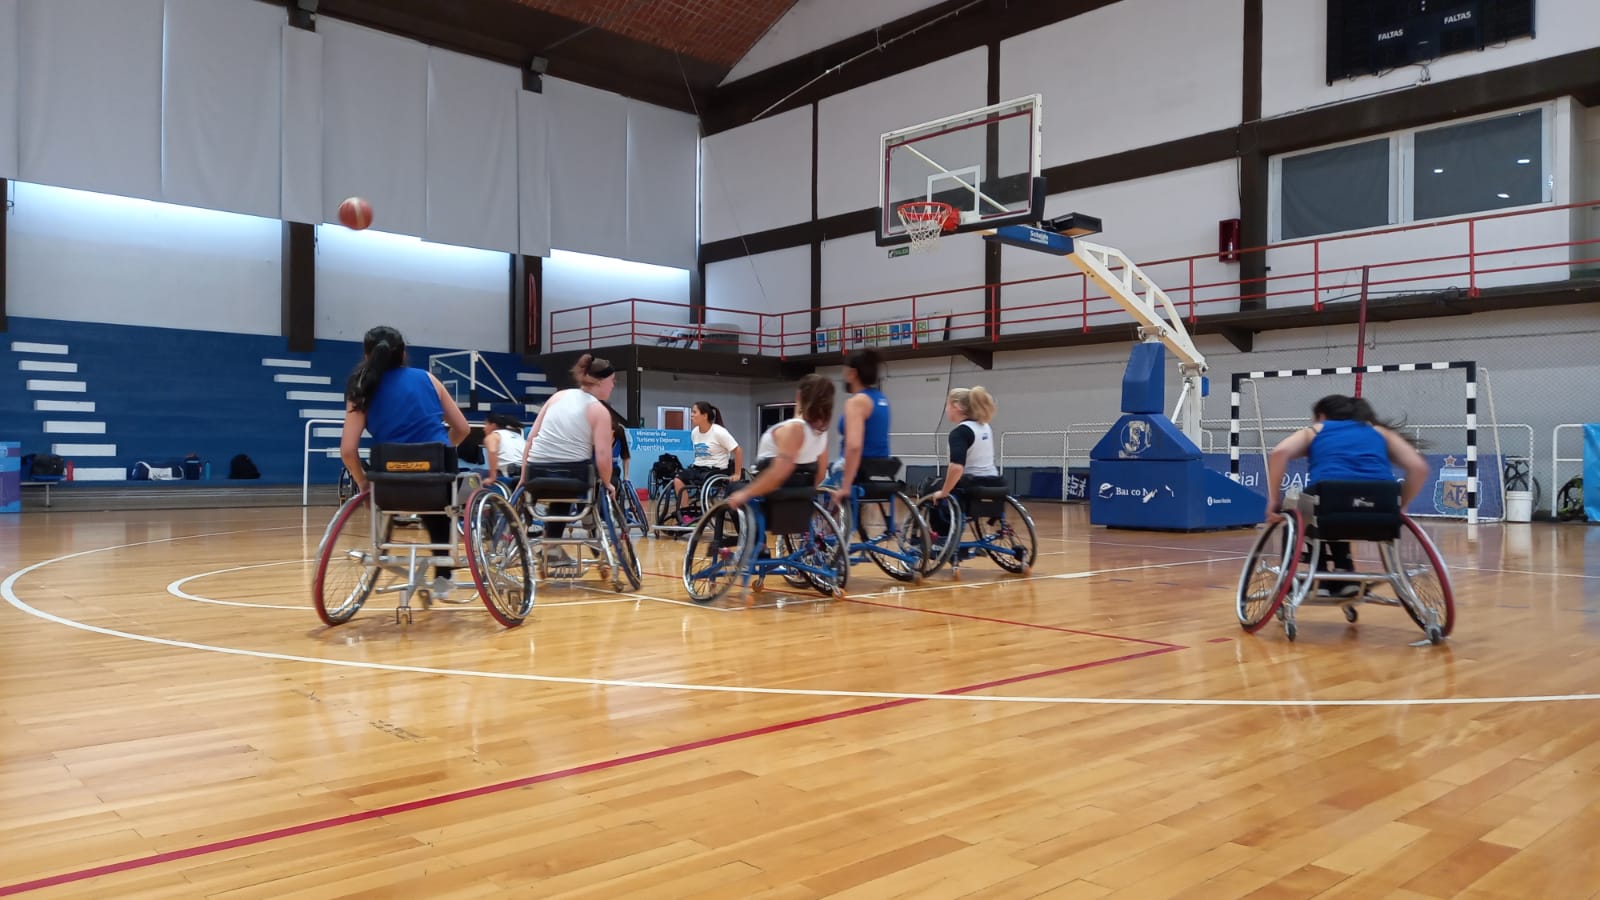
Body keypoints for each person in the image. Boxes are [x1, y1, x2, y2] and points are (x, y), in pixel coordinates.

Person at [339, 325, 471, 601]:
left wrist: (363, 484)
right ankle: (444, 575)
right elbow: (462, 429)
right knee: (439, 505)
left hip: (388, 484)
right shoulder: (428, 379)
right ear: (404, 353)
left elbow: (348, 450)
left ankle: (387, 550)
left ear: (366, 354)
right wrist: (444, 450)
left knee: (403, 487)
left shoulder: (360, 389)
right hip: (435, 477)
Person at [1266, 394, 1430, 596]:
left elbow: (1279, 452)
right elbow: (1419, 468)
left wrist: (1274, 500)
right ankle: (1345, 573)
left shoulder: (1316, 430)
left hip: (1330, 504)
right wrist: (1401, 505)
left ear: (1321, 415)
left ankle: (1311, 575)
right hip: (1382, 508)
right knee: (1337, 508)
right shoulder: (1379, 432)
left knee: (1300, 513)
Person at [518, 353, 619, 568]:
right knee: (587, 483)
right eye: (612, 381)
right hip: (572, 477)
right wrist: (608, 483)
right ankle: (591, 528)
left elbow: (531, 438)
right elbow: (603, 456)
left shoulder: (558, 396)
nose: (613, 385)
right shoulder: (599, 411)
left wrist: (523, 476)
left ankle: (549, 547)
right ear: (600, 382)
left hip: (536, 472)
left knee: (557, 493)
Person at [727, 374, 834, 509]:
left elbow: (780, 472)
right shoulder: (821, 435)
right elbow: (820, 474)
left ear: (799, 396)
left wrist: (746, 493)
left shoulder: (793, 430)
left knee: (733, 489)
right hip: (799, 494)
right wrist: (802, 494)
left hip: (771, 490)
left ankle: (743, 529)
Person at [827, 348, 892, 511]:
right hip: (880, 463)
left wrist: (846, 486)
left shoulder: (857, 402)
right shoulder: (881, 398)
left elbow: (854, 446)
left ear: (852, 373)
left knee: (818, 484)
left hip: (856, 465)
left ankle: (821, 530)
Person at [923, 386, 1000, 502]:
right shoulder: (985, 426)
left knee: (928, 486)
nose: (946, 409)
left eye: (947, 405)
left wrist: (944, 492)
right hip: (994, 482)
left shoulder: (960, 432)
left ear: (956, 406)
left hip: (970, 484)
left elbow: (957, 468)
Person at [672, 400, 743, 519]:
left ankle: (705, 514)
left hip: (716, 470)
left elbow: (738, 450)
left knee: (703, 479)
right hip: (698, 467)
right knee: (678, 479)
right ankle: (686, 513)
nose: (691, 415)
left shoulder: (719, 432)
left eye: (694, 412)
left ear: (704, 416)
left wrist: (737, 473)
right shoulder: (694, 432)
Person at [480, 413, 526, 489]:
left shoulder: (492, 436)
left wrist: (492, 477)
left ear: (493, 425)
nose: (484, 428)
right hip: (526, 474)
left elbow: (492, 451)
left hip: (508, 474)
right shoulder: (517, 436)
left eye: (486, 425)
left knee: (475, 473)